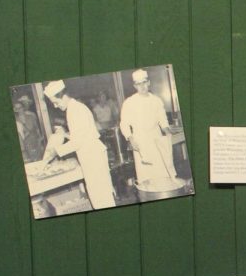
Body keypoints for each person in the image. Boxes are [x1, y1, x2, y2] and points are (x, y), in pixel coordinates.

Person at [43, 79, 117, 209]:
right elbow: (83, 135)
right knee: (101, 195)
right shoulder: (74, 108)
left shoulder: (75, 110)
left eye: (56, 102)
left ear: (63, 96)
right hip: (91, 156)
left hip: (93, 158)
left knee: (101, 198)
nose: (55, 106)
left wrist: (56, 151)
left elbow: (78, 142)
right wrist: (65, 134)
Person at [119, 68, 177, 188]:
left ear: (149, 83)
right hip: (140, 141)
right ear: (135, 86)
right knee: (146, 177)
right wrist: (131, 139)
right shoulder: (129, 102)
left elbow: (162, 119)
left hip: (156, 139)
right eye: (139, 84)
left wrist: (167, 131)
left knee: (162, 172)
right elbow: (124, 124)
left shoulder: (156, 100)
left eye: (144, 82)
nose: (142, 86)